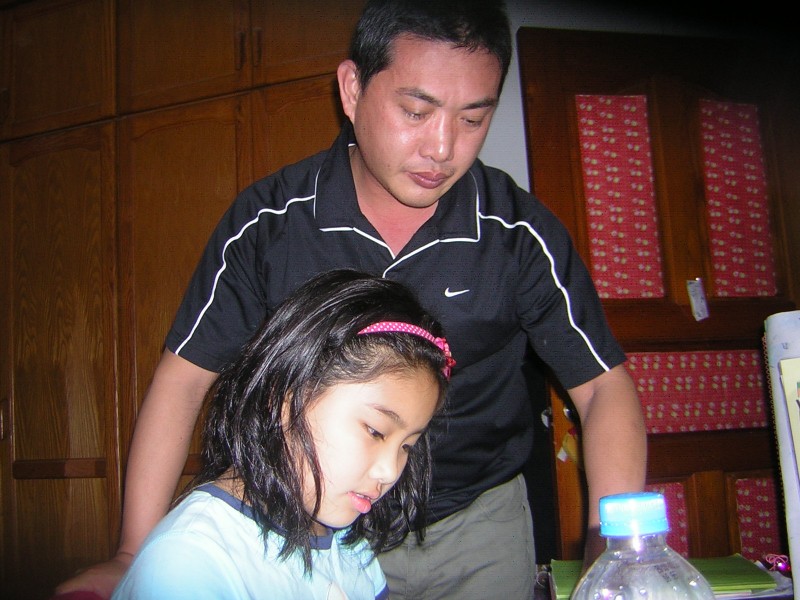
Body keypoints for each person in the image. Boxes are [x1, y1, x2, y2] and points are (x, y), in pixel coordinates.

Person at [56, 1, 646, 598]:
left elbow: (603, 388)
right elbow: (184, 379)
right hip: (307, 523)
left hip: (474, 525)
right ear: (352, 89)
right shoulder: (270, 223)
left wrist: (617, 550)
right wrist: (132, 551)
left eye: (472, 119)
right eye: (416, 111)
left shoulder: (518, 233)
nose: (442, 148)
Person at [111, 270, 452, 599]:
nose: (390, 471)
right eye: (375, 431)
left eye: (407, 445)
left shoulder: (350, 548)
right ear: (284, 397)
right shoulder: (189, 563)